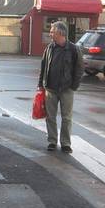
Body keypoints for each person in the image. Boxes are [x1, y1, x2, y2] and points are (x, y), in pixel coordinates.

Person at [38, 21, 83, 154]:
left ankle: (65, 143)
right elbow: (43, 67)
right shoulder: (49, 48)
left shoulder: (74, 49)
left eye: (52, 31)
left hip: (66, 89)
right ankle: (52, 141)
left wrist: (73, 87)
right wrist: (40, 85)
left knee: (66, 118)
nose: (50, 34)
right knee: (50, 117)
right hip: (50, 89)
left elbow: (79, 69)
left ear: (60, 33)